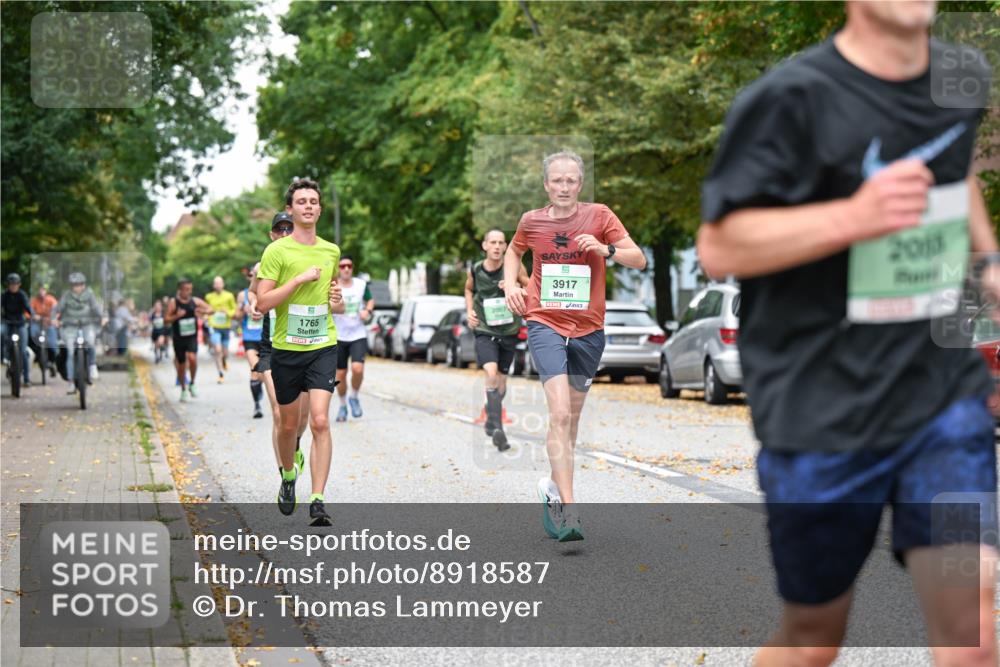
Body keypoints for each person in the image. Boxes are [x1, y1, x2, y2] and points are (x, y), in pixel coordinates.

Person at [697, 2, 1000, 665]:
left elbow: (959, 174)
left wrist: (988, 264)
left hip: (940, 400)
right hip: (821, 412)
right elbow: (720, 245)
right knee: (813, 640)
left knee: (972, 616)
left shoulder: (960, 74)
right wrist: (855, 216)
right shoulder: (791, 99)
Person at [504, 151, 646, 542]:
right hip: (544, 321)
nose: (563, 187)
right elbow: (515, 250)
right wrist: (512, 285)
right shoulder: (531, 221)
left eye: (571, 180)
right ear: (546, 185)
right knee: (560, 414)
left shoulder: (600, 215)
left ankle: (551, 487)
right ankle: (569, 510)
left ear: (579, 185)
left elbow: (640, 259)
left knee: (572, 423)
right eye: (556, 180)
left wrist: (606, 250)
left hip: (588, 328)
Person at [256, 179, 344, 526]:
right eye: (301, 201)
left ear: (320, 209)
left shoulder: (331, 251)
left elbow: (333, 301)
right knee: (288, 424)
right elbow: (263, 302)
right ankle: (289, 476)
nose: (308, 206)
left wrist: (337, 303)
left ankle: (318, 499)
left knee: (320, 420)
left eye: (313, 201)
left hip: (323, 343)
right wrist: (295, 282)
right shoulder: (276, 252)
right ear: (291, 210)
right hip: (286, 348)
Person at [251, 213, 312, 479]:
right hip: (271, 348)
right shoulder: (265, 262)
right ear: (272, 235)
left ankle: (295, 444)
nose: (285, 232)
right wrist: (254, 304)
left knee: (301, 421)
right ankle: (285, 475)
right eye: (280, 229)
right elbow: (254, 291)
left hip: (303, 346)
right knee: (278, 411)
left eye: (290, 228)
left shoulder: (307, 259)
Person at [466, 229, 530, 451]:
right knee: (491, 374)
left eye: (501, 243)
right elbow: (468, 290)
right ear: (484, 245)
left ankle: (491, 413)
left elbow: (530, 286)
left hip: (509, 329)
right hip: (485, 329)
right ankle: (498, 429)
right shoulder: (475, 269)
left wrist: (515, 287)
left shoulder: (514, 267)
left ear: (505, 247)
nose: (497, 246)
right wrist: (469, 312)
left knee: (501, 383)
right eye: (492, 242)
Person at [332, 254, 374, 422]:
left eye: (349, 265)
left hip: (358, 334)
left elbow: (370, 300)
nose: (346, 269)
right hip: (338, 336)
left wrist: (368, 311)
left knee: (358, 369)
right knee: (340, 375)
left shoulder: (361, 285)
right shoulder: (333, 285)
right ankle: (342, 405)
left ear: (353, 267)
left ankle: (354, 396)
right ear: (338, 269)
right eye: (342, 266)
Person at [54, 272, 105, 392]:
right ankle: (71, 382)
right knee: (70, 352)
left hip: (86, 325)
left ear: (83, 285)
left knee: (91, 342)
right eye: (74, 285)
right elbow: (57, 309)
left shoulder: (90, 295)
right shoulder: (66, 296)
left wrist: (103, 317)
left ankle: (92, 366)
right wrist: (54, 319)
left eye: (79, 284)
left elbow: (96, 308)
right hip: (70, 326)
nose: (76, 287)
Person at [164, 279, 212, 402]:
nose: (188, 292)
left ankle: (193, 383)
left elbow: (211, 310)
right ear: (180, 290)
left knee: (192, 358)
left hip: (191, 336)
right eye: (186, 289)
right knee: (181, 364)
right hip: (179, 338)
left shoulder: (194, 301)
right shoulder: (173, 302)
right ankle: (183, 389)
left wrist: (201, 311)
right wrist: (177, 316)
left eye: (190, 289)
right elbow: (166, 319)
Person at [239, 264, 266, 418]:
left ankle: (259, 386)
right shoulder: (243, 296)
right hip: (249, 337)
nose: (252, 278)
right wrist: (242, 311)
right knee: (255, 368)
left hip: (266, 337)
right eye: (250, 276)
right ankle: (257, 405)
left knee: (262, 373)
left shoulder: (266, 293)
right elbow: (235, 315)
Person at [1, 273, 33, 387]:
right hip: (8, 323)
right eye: (11, 284)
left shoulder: (22, 295)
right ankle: (4, 357)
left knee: (23, 351)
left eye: (15, 284)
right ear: (8, 285)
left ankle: (26, 378)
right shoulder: (4, 295)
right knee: (2, 334)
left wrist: (33, 315)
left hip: (20, 324)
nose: (13, 286)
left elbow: (28, 308)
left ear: (19, 285)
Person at [204, 276, 237, 383]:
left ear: (223, 284)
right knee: (217, 350)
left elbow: (234, 310)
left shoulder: (229, 296)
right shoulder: (209, 297)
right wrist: (206, 315)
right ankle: (220, 374)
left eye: (219, 283)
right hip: (214, 327)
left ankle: (224, 361)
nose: (217, 285)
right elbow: (205, 309)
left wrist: (227, 312)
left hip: (226, 327)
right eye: (215, 283)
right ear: (213, 285)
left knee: (225, 353)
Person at [30, 284, 58, 376]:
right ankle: (35, 352)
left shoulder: (51, 299)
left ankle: (52, 362)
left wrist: (53, 318)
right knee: (32, 332)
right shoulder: (34, 301)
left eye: (43, 290)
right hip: (37, 324)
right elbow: (28, 311)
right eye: (40, 289)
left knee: (53, 343)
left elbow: (56, 309)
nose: (41, 291)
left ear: (46, 291)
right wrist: (34, 316)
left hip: (48, 324)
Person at [149, 299, 170, 363]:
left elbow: (167, 321)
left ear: (161, 307)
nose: (157, 307)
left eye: (158, 306)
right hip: (155, 331)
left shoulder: (163, 314)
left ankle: (163, 350)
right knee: (156, 345)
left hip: (162, 331)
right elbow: (151, 322)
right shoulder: (153, 315)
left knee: (160, 342)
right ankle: (157, 356)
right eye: (156, 306)